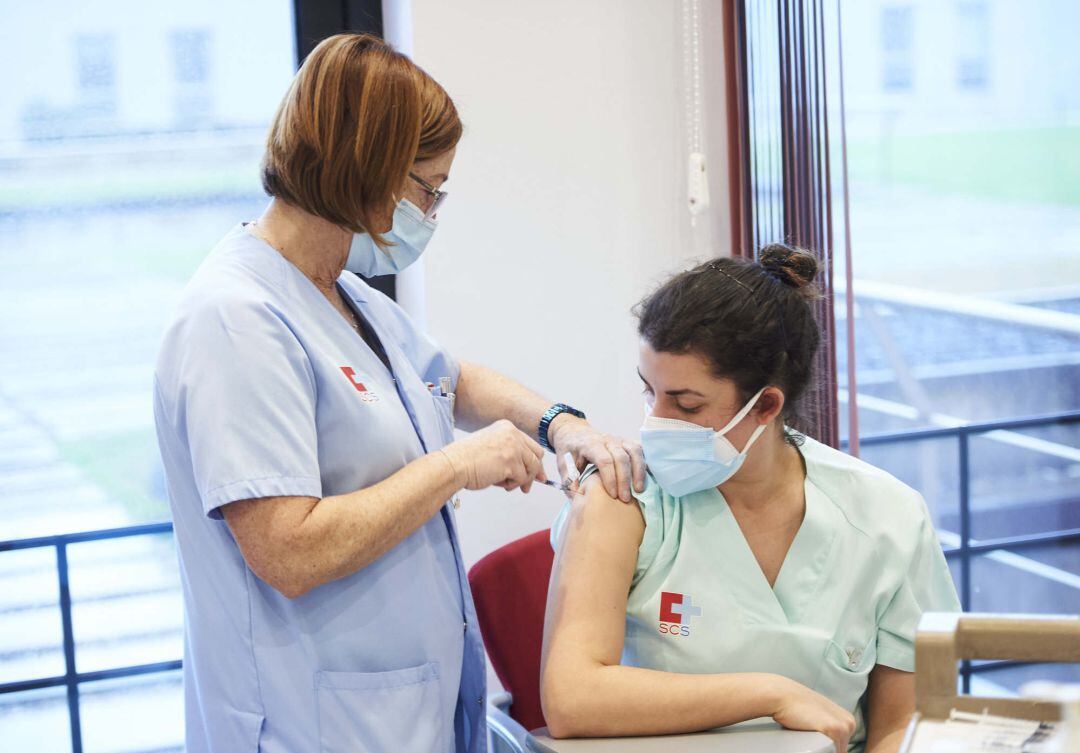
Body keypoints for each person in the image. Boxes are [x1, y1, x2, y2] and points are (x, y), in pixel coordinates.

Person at [154, 33, 643, 753]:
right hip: (309, 725)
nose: (433, 212)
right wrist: (457, 465)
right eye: (427, 188)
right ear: (370, 168)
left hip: (403, 714)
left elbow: (451, 378)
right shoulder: (236, 319)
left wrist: (557, 423)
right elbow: (286, 551)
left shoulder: (340, 293)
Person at [540, 245, 960, 753]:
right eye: (650, 391)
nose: (655, 422)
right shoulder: (622, 499)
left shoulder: (887, 517)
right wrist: (769, 693)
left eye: (686, 403)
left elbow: (905, 724)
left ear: (765, 405)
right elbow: (572, 698)